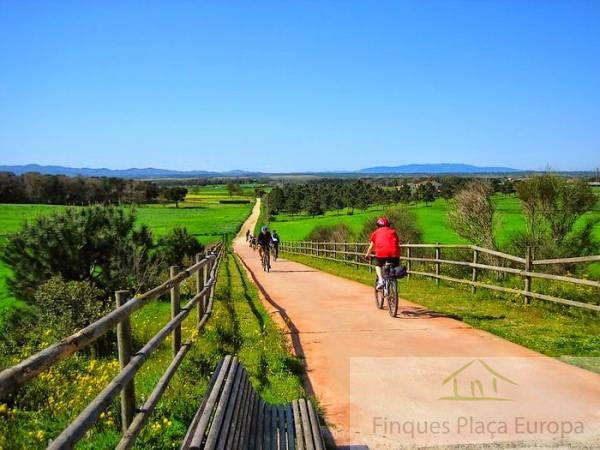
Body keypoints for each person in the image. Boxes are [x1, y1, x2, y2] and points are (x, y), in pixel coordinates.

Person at [364, 217, 400, 289]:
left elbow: (371, 246)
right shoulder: (393, 231)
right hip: (394, 254)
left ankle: (380, 280)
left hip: (381, 254)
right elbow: (397, 242)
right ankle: (393, 283)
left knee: (378, 265)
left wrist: (367, 254)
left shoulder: (375, 233)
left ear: (378, 226)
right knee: (394, 267)